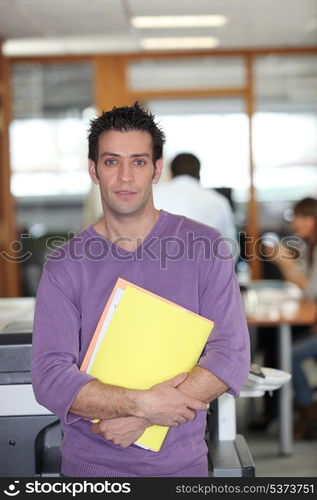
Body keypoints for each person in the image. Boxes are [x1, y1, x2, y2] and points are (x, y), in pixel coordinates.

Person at [31, 102, 250, 477]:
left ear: (157, 170)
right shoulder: (65, 265)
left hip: (181, 469)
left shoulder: (205, 247)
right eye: (112, 161)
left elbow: (229, 355)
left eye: (138, 161)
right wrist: (143, 406)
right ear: (93, 170)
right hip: (91, 472)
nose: (125, 177)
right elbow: (50, 377)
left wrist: (142, 419)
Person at [264, 197, 317, 439]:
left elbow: (308, 289)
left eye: (304, 217)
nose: (297, 223)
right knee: (282, 346)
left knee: (289, 354)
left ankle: (307, 410)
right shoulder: (309, 247)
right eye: (296, 217)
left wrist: (284, 263)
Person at [153, 153, 237, 243]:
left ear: (171, 173)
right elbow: (230, 244)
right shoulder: (218, 200)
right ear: (199, 174)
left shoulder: (153, 195)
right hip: (206, 255)